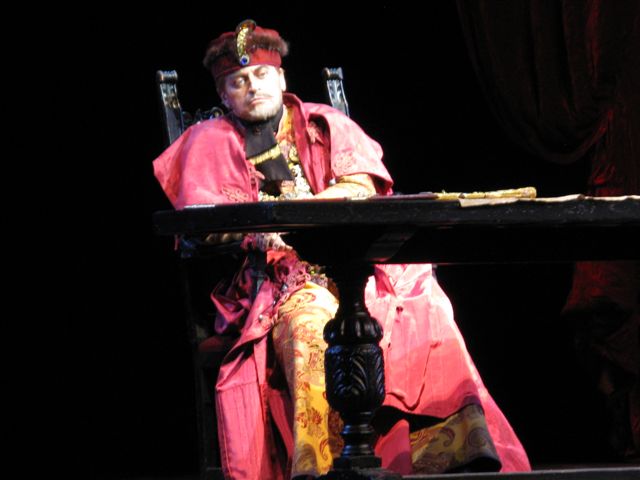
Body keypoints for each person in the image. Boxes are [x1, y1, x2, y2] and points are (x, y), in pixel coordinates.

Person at [153, 20, 530, 479]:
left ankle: (447, 451)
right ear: (224, 93)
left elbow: (361, 186)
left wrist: (297, 213)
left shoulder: (323, 123)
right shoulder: (209, 140)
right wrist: (269, 231)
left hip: (355, 261)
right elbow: (203, 222)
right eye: (238, 81)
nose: (252, 87)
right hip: (275, 280)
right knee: (313, 325)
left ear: (282, 78)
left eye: (262, 75)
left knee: (425, 302)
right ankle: (324, 466)